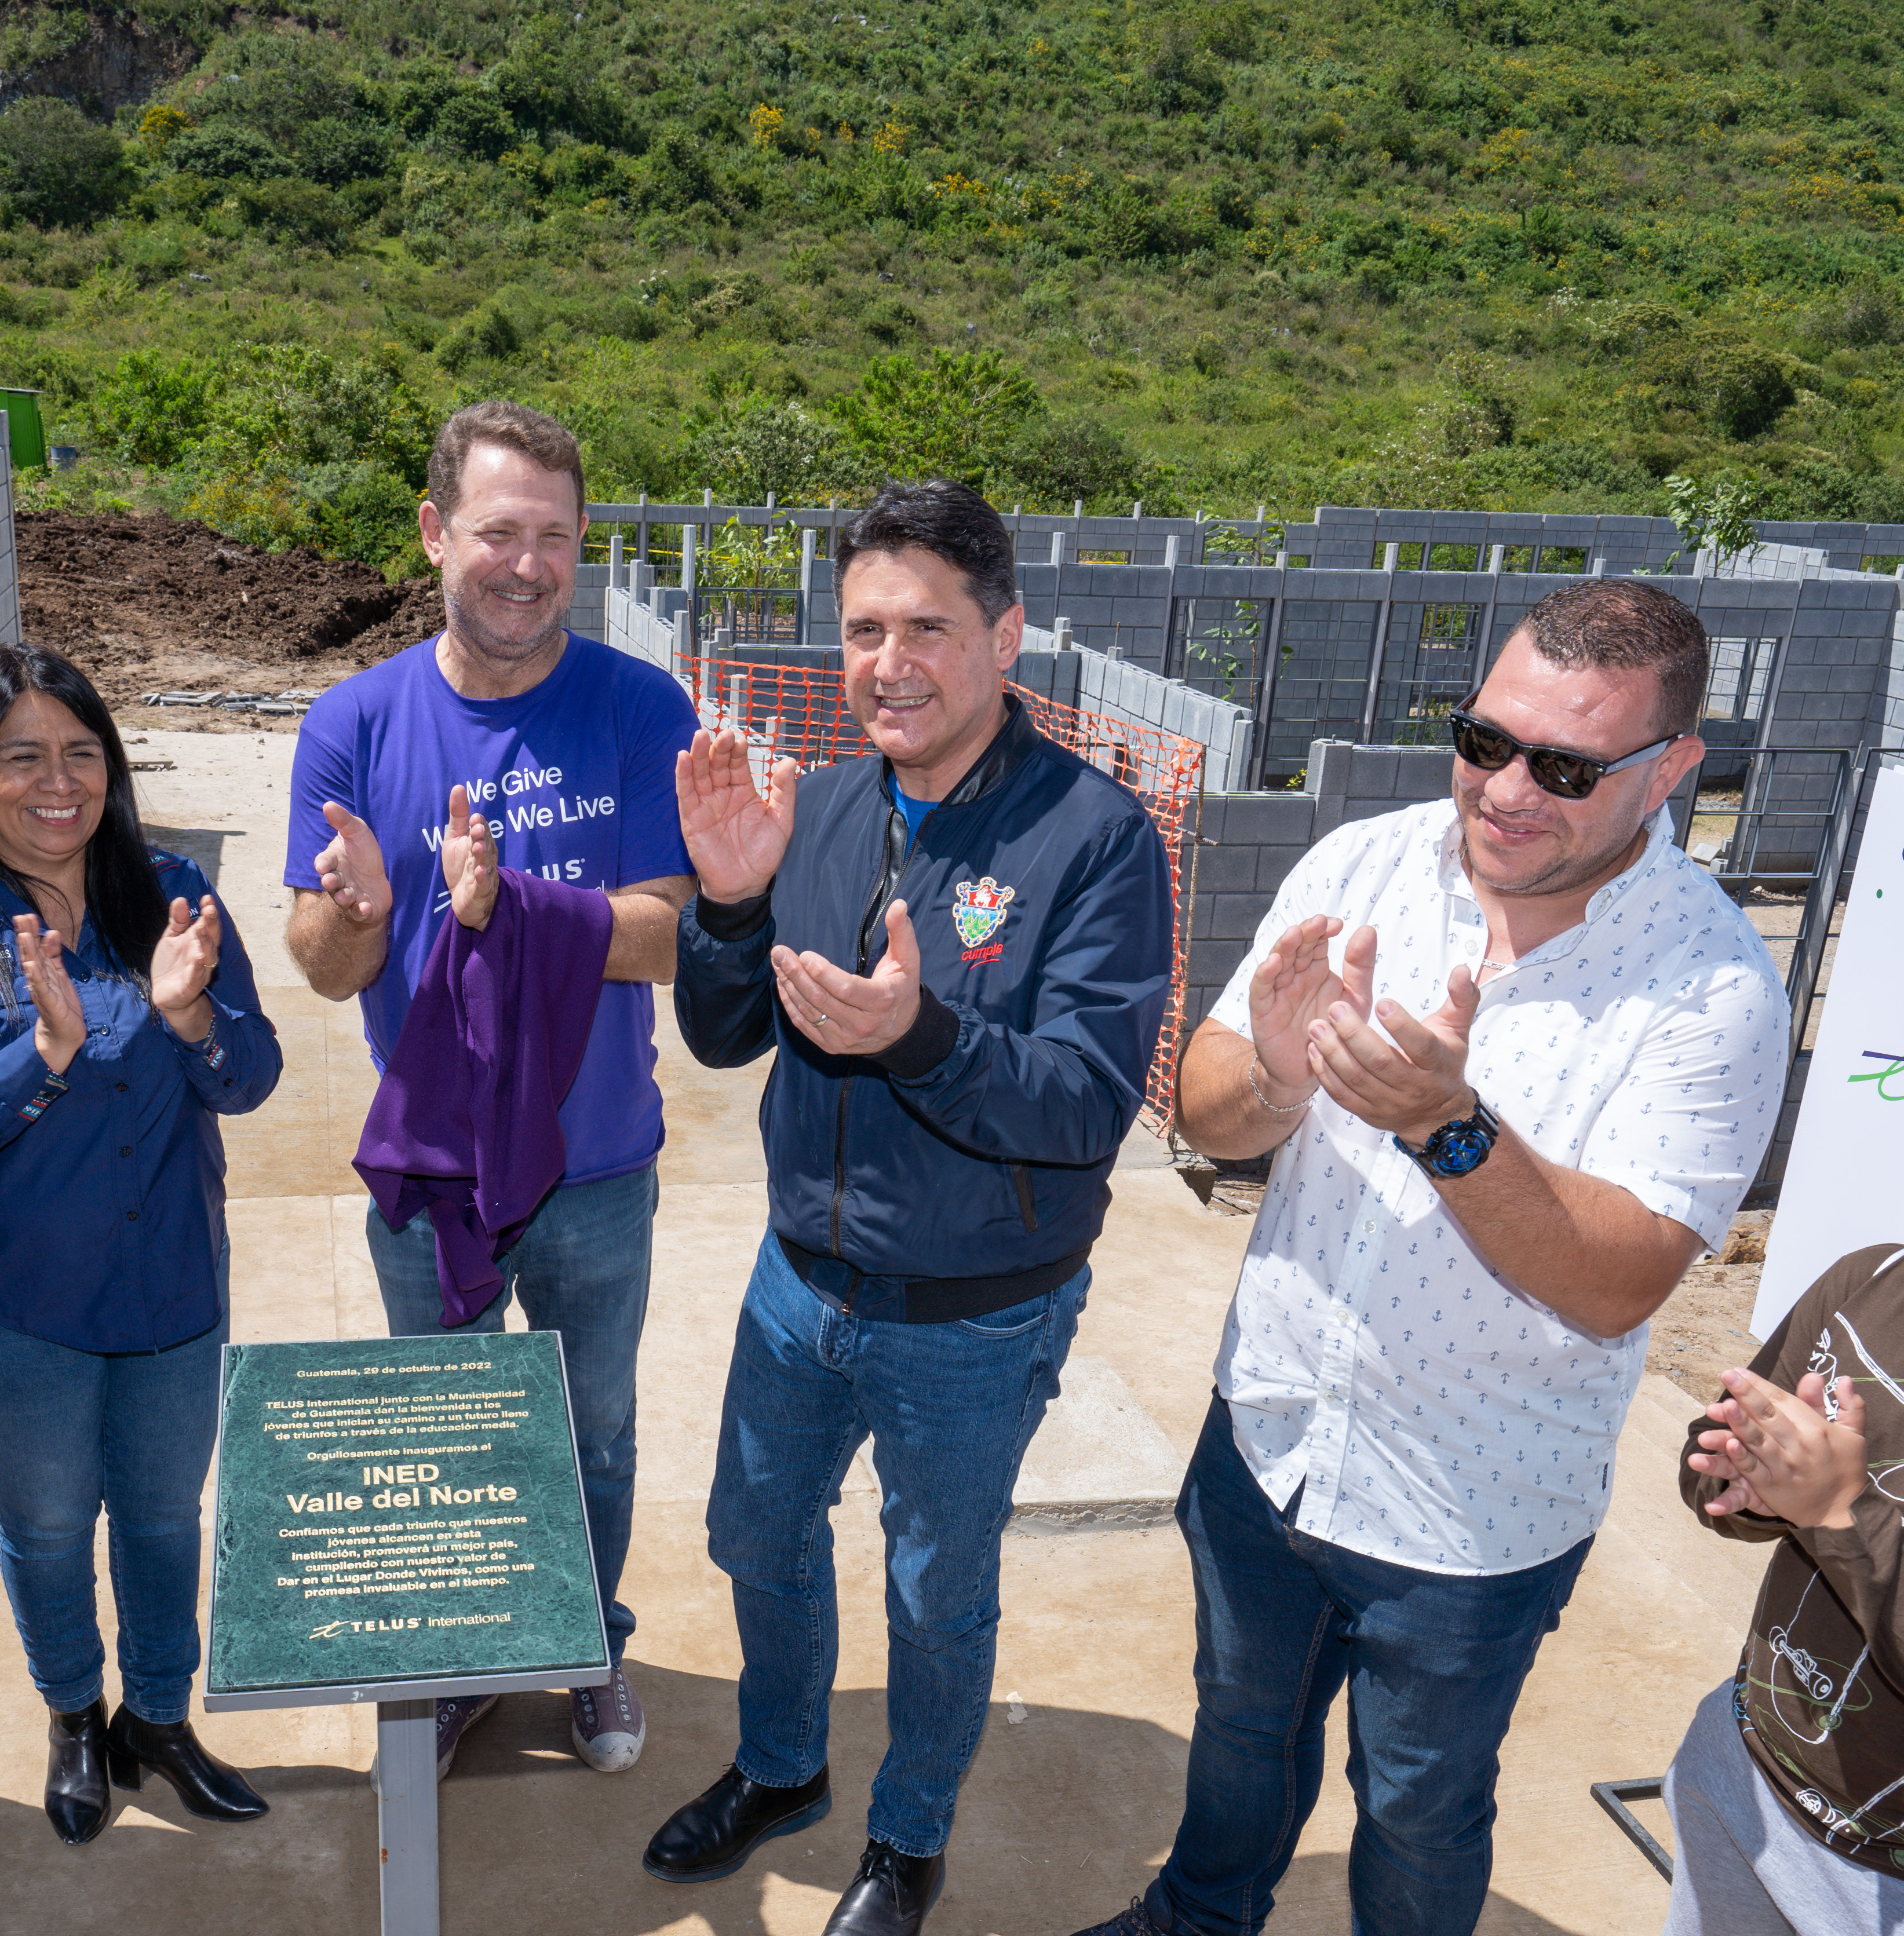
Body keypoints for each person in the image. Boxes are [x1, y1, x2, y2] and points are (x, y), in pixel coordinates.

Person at [1070, 577, 1794, 1936]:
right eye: (1484, 742)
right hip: (1271, 1435)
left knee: (1418, 1808)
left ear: (1673, 770)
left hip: (1471, 1512)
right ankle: (1199, 1916)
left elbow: (1620, 1276)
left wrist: (1446, 1127)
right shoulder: (1366, 864)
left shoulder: (1712, 988)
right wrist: (1277, 1078)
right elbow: (1214, 1107)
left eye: (1568, 765)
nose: (1509, 790)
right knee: (1238, 1735)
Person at [652, 479, 1174, 1936]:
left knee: (937, 1591)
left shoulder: (1096, 838)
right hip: (799, 1279)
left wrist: (919, 1033)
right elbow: (719, 1034)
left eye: (929, 628)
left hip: (976, 1307)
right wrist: (737, 906)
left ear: (1007, 637)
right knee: (758, 1536)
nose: (891, 661)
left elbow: (1084, 1103)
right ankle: (780, 1767)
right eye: (864, 629)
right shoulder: (819, 805)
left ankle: (911, 1836)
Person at [284, 400, 700, 1779]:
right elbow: (327, 964)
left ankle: (584, 1647)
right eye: (496, 532)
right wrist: (366, 909)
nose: (524, 565)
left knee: (593, 1433)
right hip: (435, 1171)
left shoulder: (643, 709)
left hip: (594, 1159)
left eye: (553, 539)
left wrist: (510, 904)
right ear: (434, 531)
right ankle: (464, 1661)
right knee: (449, 1439)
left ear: (583, 545)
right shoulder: (354, 721)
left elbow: (662, 927)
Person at [0, 643, 281, 1847]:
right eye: (24, 756)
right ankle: (70, 1718)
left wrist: (193, 1013)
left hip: (171, 1290)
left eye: (82, 752)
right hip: (10, 1306)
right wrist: (36, 1058)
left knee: (162, 1520)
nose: (59, 782)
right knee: (48, 1523)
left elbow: (250, 1079)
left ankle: (156, 1719)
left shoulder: (173, 889)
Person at [1663, 1242, 1904, 1933]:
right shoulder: (1874, 1277)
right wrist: (1755, 1487)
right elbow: (1703, 1462)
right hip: (1743, 1767)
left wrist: (1840, 1510)